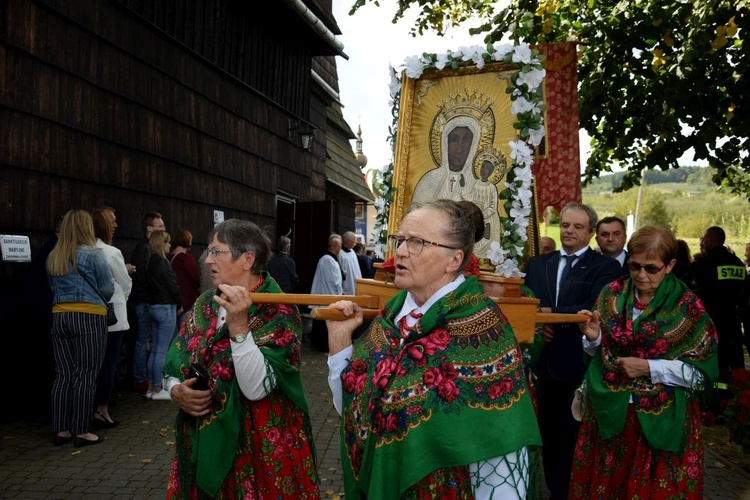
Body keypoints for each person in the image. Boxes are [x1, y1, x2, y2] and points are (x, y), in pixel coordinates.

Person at [324, 200, 541, 499]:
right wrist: (339, 344)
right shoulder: (391, 318)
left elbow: (501, 453)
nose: (399, 251)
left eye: (416, 242)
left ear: (454, 260)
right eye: (400, 240)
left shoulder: (483, 329)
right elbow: (350, 408)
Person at [162, 218, 320, 498]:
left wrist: (238, 325)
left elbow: (256, 388)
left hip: (258, 451)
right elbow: (175, 358)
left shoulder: (280, 310)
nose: (207, 259)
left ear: (247, 259)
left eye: (216, 251)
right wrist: (175, 390)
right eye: (209, 250)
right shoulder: (205, 303)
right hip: (202, 441)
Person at [572, 226, 719, 497]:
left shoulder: (688, 307)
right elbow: (599, 353)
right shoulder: (612, 294)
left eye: (651, 268)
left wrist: (650, 368)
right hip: (610, 415)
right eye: (634, 266)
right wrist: (594, 338)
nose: (641, 275)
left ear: (670, 265)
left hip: (662, 421)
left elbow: (701, 372)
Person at [524, 202, 621, 499]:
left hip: (577, 364)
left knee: (571, 437)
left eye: (578, 227)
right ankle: (552, 487)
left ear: (591, 232)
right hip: (542, 364)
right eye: (565, 225)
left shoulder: (605, 267)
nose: (569, 231)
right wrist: (541, 323)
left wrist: (549, 315)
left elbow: (593, 307)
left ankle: (564, 492)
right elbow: (527, 305)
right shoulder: (539, 264)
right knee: (546, 436)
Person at [47, 209, 114, 447]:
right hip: (89, 317)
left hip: (60, 316)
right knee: (85, 374)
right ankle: (82, 431)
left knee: (63, 374)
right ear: (87, 228)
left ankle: (61, 430)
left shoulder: (55, 255)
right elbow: (107, 289)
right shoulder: (94, 254)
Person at [684, 226, 746, 385]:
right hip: (733, 322)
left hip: (711, 322)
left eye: (703, 239)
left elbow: (683, 285)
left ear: (711, 240)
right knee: (735, 362)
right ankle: (734, 393)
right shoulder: (737, 263)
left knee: (715, 362)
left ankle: (716, 394)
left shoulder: (703, 263)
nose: (702, 243)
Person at [90, 207, 132, 429]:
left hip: (89, 316)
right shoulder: (110, 252)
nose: (116, 225)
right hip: (112, 315)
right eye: (112, 221)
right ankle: (102, 409)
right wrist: (121, 298)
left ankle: (88, 407)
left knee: (92, 364)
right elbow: (124, 284)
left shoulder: (81, 250)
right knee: (108, 364)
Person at [131, 212, 166, 392]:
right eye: (160, 227)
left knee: (147, 341)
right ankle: (140, 377)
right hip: (143, 300)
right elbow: (143, 277)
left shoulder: (148, 247)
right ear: (149, 228)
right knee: (143, 341)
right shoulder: (143, 248)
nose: (163, 230)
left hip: (147, 300)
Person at [144, 230, 181, 401]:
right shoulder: (163, 263)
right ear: (161, 244)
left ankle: (151, 387)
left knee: (154, 349)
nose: (169, 245)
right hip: (166, 307)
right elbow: (173, 285)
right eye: (167, 242)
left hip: (153, 306)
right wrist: (179, 303)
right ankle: (158, 388)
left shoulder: (149, 262)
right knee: (162, 350)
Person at [412, 118, 480, 203]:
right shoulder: (430, 180)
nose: (459, 149)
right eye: (454, 139)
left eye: (466, 140)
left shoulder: (476, 186)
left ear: (473, 145)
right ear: (445, 143)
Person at [310, 234, 344, 352]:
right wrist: (339, 293)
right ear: (335, 246)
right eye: (339, 245)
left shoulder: (329, 258)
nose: (341, 248)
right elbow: (333, 280)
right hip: (328, 294)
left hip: (328, 294)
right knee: (324, 323)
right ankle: (321, 345)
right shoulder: (327, 259)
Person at [168, 229, 200, 337]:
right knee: (185, 337)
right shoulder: (187, 258)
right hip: (187, 302)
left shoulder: (167, 258)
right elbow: (195, 279)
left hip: (171, 303)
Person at [338, 231, 362, 295]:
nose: (355, 244)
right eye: (354, 242)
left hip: (355, 282)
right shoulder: (340, 254)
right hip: (346, 283)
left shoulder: (352, 252)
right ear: (348, 241)